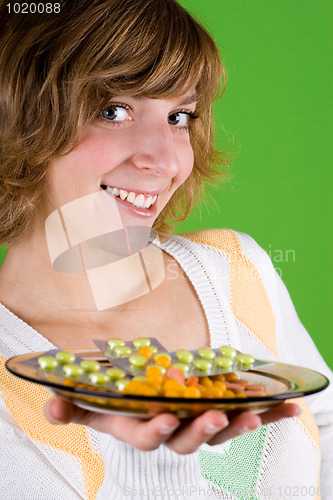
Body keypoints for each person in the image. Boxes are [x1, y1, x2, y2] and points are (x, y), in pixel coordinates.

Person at [0, 0, 332, 498]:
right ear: (17, 120)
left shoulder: (237, 272)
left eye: (180, 116)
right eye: (113, 110)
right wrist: (156, 457)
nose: (163, 159)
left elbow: (324, 428)